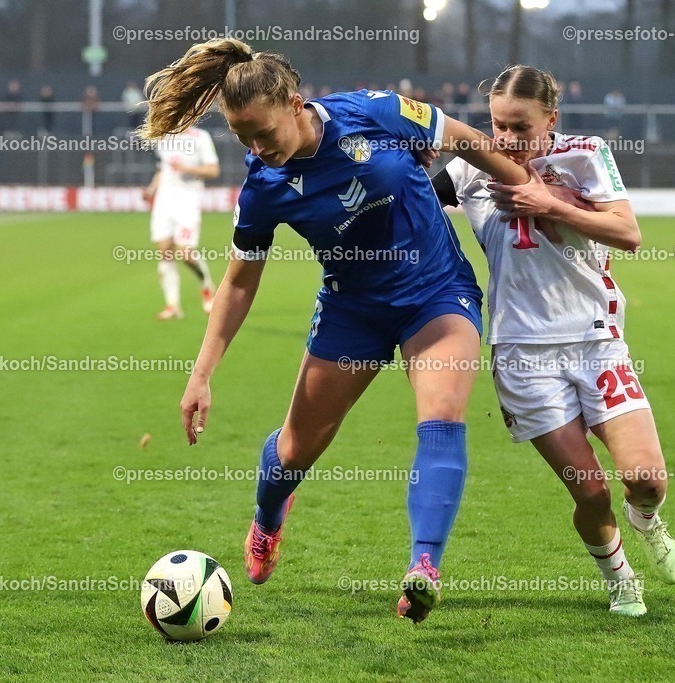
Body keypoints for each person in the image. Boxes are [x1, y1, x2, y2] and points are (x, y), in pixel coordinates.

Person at [139, 38, 529, 623]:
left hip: (436, 292)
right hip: (352, 310)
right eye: (243, 138)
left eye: (263, 133)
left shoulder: (375, 111)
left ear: (295, 104)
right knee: (295, 451)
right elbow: (240, 284)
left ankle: (424, 567)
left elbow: (468, 142)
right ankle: (268, 517)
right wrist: (201, 375)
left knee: (442, 415)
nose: (256, 149)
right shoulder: (263, 188)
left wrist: (528, 191)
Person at [428, 65, 675, 617]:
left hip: (597, 341)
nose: (508, 139)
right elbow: (414, 202)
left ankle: (645, 516)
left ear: (552, 119)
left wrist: (553, 207)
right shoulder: (472, 168)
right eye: (498, 126)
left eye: (521, 127)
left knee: (644, 479)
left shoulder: (585, 154)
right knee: (589, 491)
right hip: (523, 355)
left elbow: (629, 234)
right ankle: (620, 578)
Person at [142, 124, 221, 319]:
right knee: (165, 250)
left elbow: (213, 170)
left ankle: (206, 285)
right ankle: (173, 305)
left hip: (188, 199)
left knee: (186, 253)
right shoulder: (163, 136)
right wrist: (151, 189)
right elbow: (162, 169)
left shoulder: (200, 137)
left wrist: (187, 168)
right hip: (164, 199)